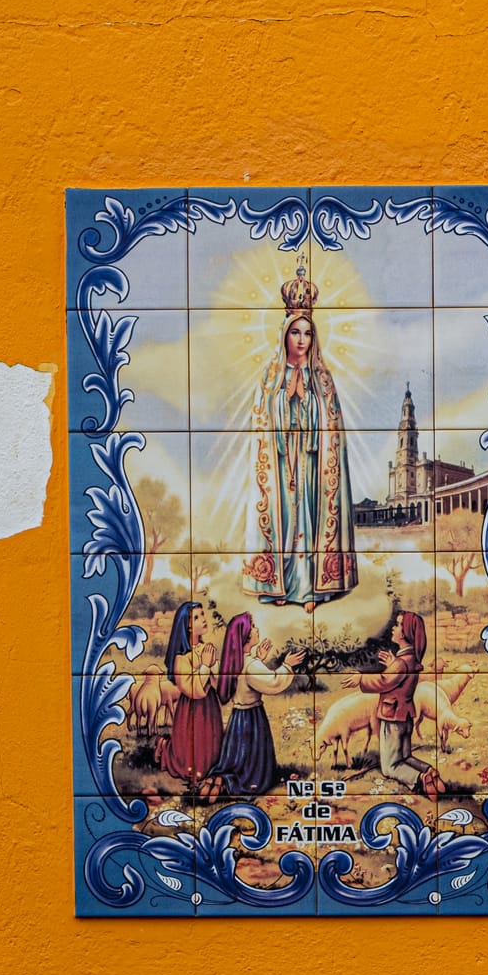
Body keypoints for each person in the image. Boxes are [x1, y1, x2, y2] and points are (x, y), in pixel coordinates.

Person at [241, 266, 358, 612]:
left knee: (309, 518)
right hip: (279, 462)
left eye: (308, 332)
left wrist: (307, 401)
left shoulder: (322, 377)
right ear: (284, 335)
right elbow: (262, 419)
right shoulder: (270, 376)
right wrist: (283, 396)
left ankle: (309, 589)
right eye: (296, 332)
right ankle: (279, 583)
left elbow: (331, 423)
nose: (302, 339)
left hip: (312, 462)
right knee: (283, 520)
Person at [200, 613, 305, 800]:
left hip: (236, 719)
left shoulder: (233, 663)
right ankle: (230, 784)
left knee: (235, 758)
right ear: (247, 636)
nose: (257, 629)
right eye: (254, 626)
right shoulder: (251, 665)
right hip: (253, 719)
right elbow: (272, 683)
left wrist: (259, 658)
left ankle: (219, 779)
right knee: (254, 767)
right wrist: (287, 666)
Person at [343, 610, 446, 799]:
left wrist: (361, 678)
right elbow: (397, 675)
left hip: (392, 717)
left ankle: (420, 778)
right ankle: (430, 771)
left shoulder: (400, 663)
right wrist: (393, 662)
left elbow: (384, 681)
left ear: (406, 632)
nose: (393, 627)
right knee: (405, 757)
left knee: (390, 767)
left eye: (398, 625)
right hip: (406, 716)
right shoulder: (410, 659)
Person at [155, 601, 222, 790]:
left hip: (210, 707)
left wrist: (214, 668)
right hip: (191, 710)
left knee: (212, 754)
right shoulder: (181, 658)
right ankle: (164, 747)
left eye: (203, 614)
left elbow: (217, 680)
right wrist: (205, 666)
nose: (203, 620)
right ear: (187, 625)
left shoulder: (206, 648)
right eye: (197, 617)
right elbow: (191, 690)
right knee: (190, 763)